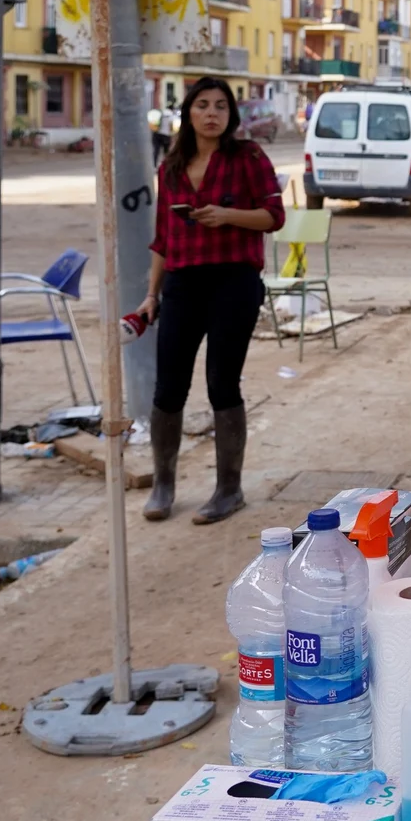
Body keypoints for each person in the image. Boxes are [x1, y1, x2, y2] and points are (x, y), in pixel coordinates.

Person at [135, 75, 285, 524]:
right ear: (189, 113)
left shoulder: (248, 157)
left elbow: (274, 216)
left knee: (222, 382)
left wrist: (227, 216)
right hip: (182, 283)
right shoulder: (172, 167)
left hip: (234, 282)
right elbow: (162, 239)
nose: (212, 113)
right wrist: (150, 295)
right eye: (203, 105)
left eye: (221, 106)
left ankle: (228, 490)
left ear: (231, 115)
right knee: (168, 387)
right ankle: (163, 486)